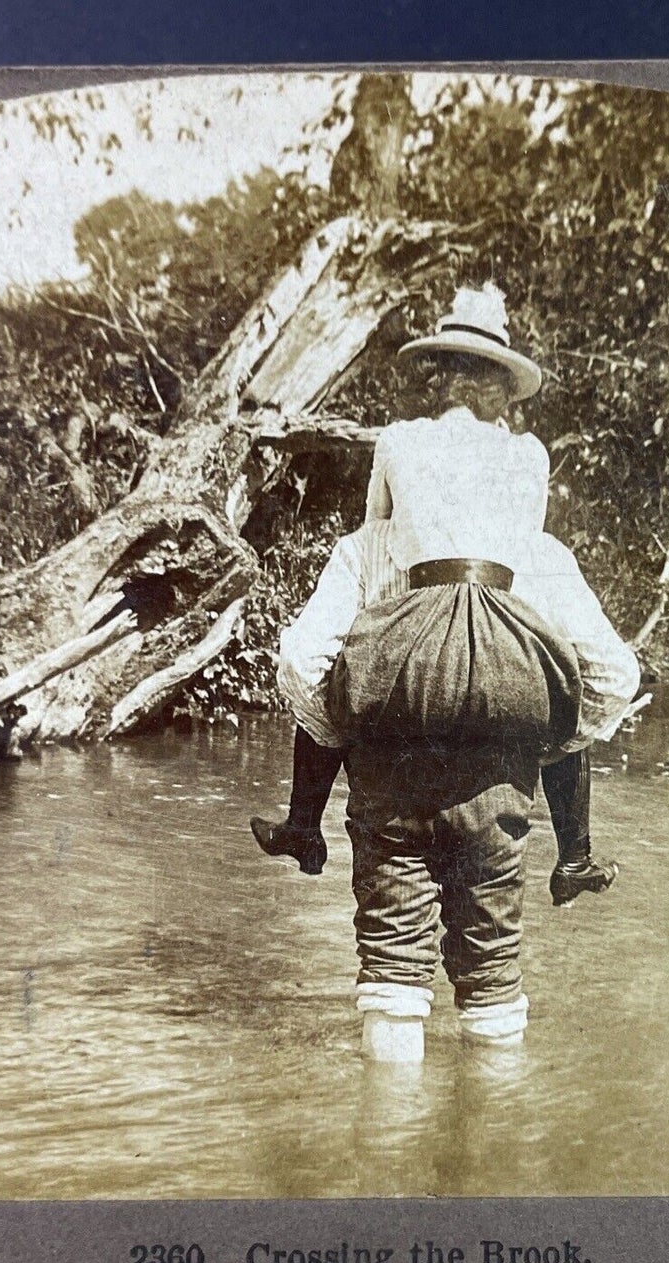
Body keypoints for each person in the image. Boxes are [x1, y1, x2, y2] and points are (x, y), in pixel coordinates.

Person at [251, 284, 625, 907]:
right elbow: (526, 538)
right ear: (503, 387)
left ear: (439, 378)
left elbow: (379, 521)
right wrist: (546, 731)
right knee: (588, 672)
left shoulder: (399, 440)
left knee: (316, 653)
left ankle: (303, 824)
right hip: (505, 618)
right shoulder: (528, 454)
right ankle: (574, 853)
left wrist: (345, 725)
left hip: (407, 660)